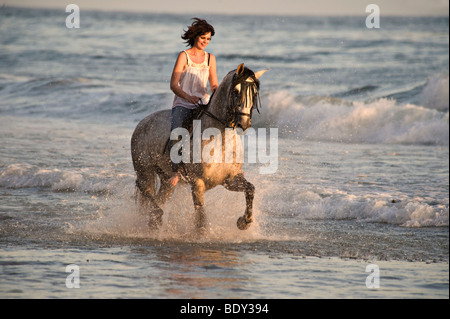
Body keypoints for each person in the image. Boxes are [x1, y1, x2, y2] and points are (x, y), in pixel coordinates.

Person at [169, 18, 218, 186]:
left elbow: (213, 84)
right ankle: (176, 171)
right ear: (195, 36)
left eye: (209, 39)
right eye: (203, 37)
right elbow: (173, 85)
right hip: (183, 103)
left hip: (203, 102)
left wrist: (220, 93)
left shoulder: (211, 58)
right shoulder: (184, 56)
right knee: (177, 133)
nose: (206, 41)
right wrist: (187, 97)